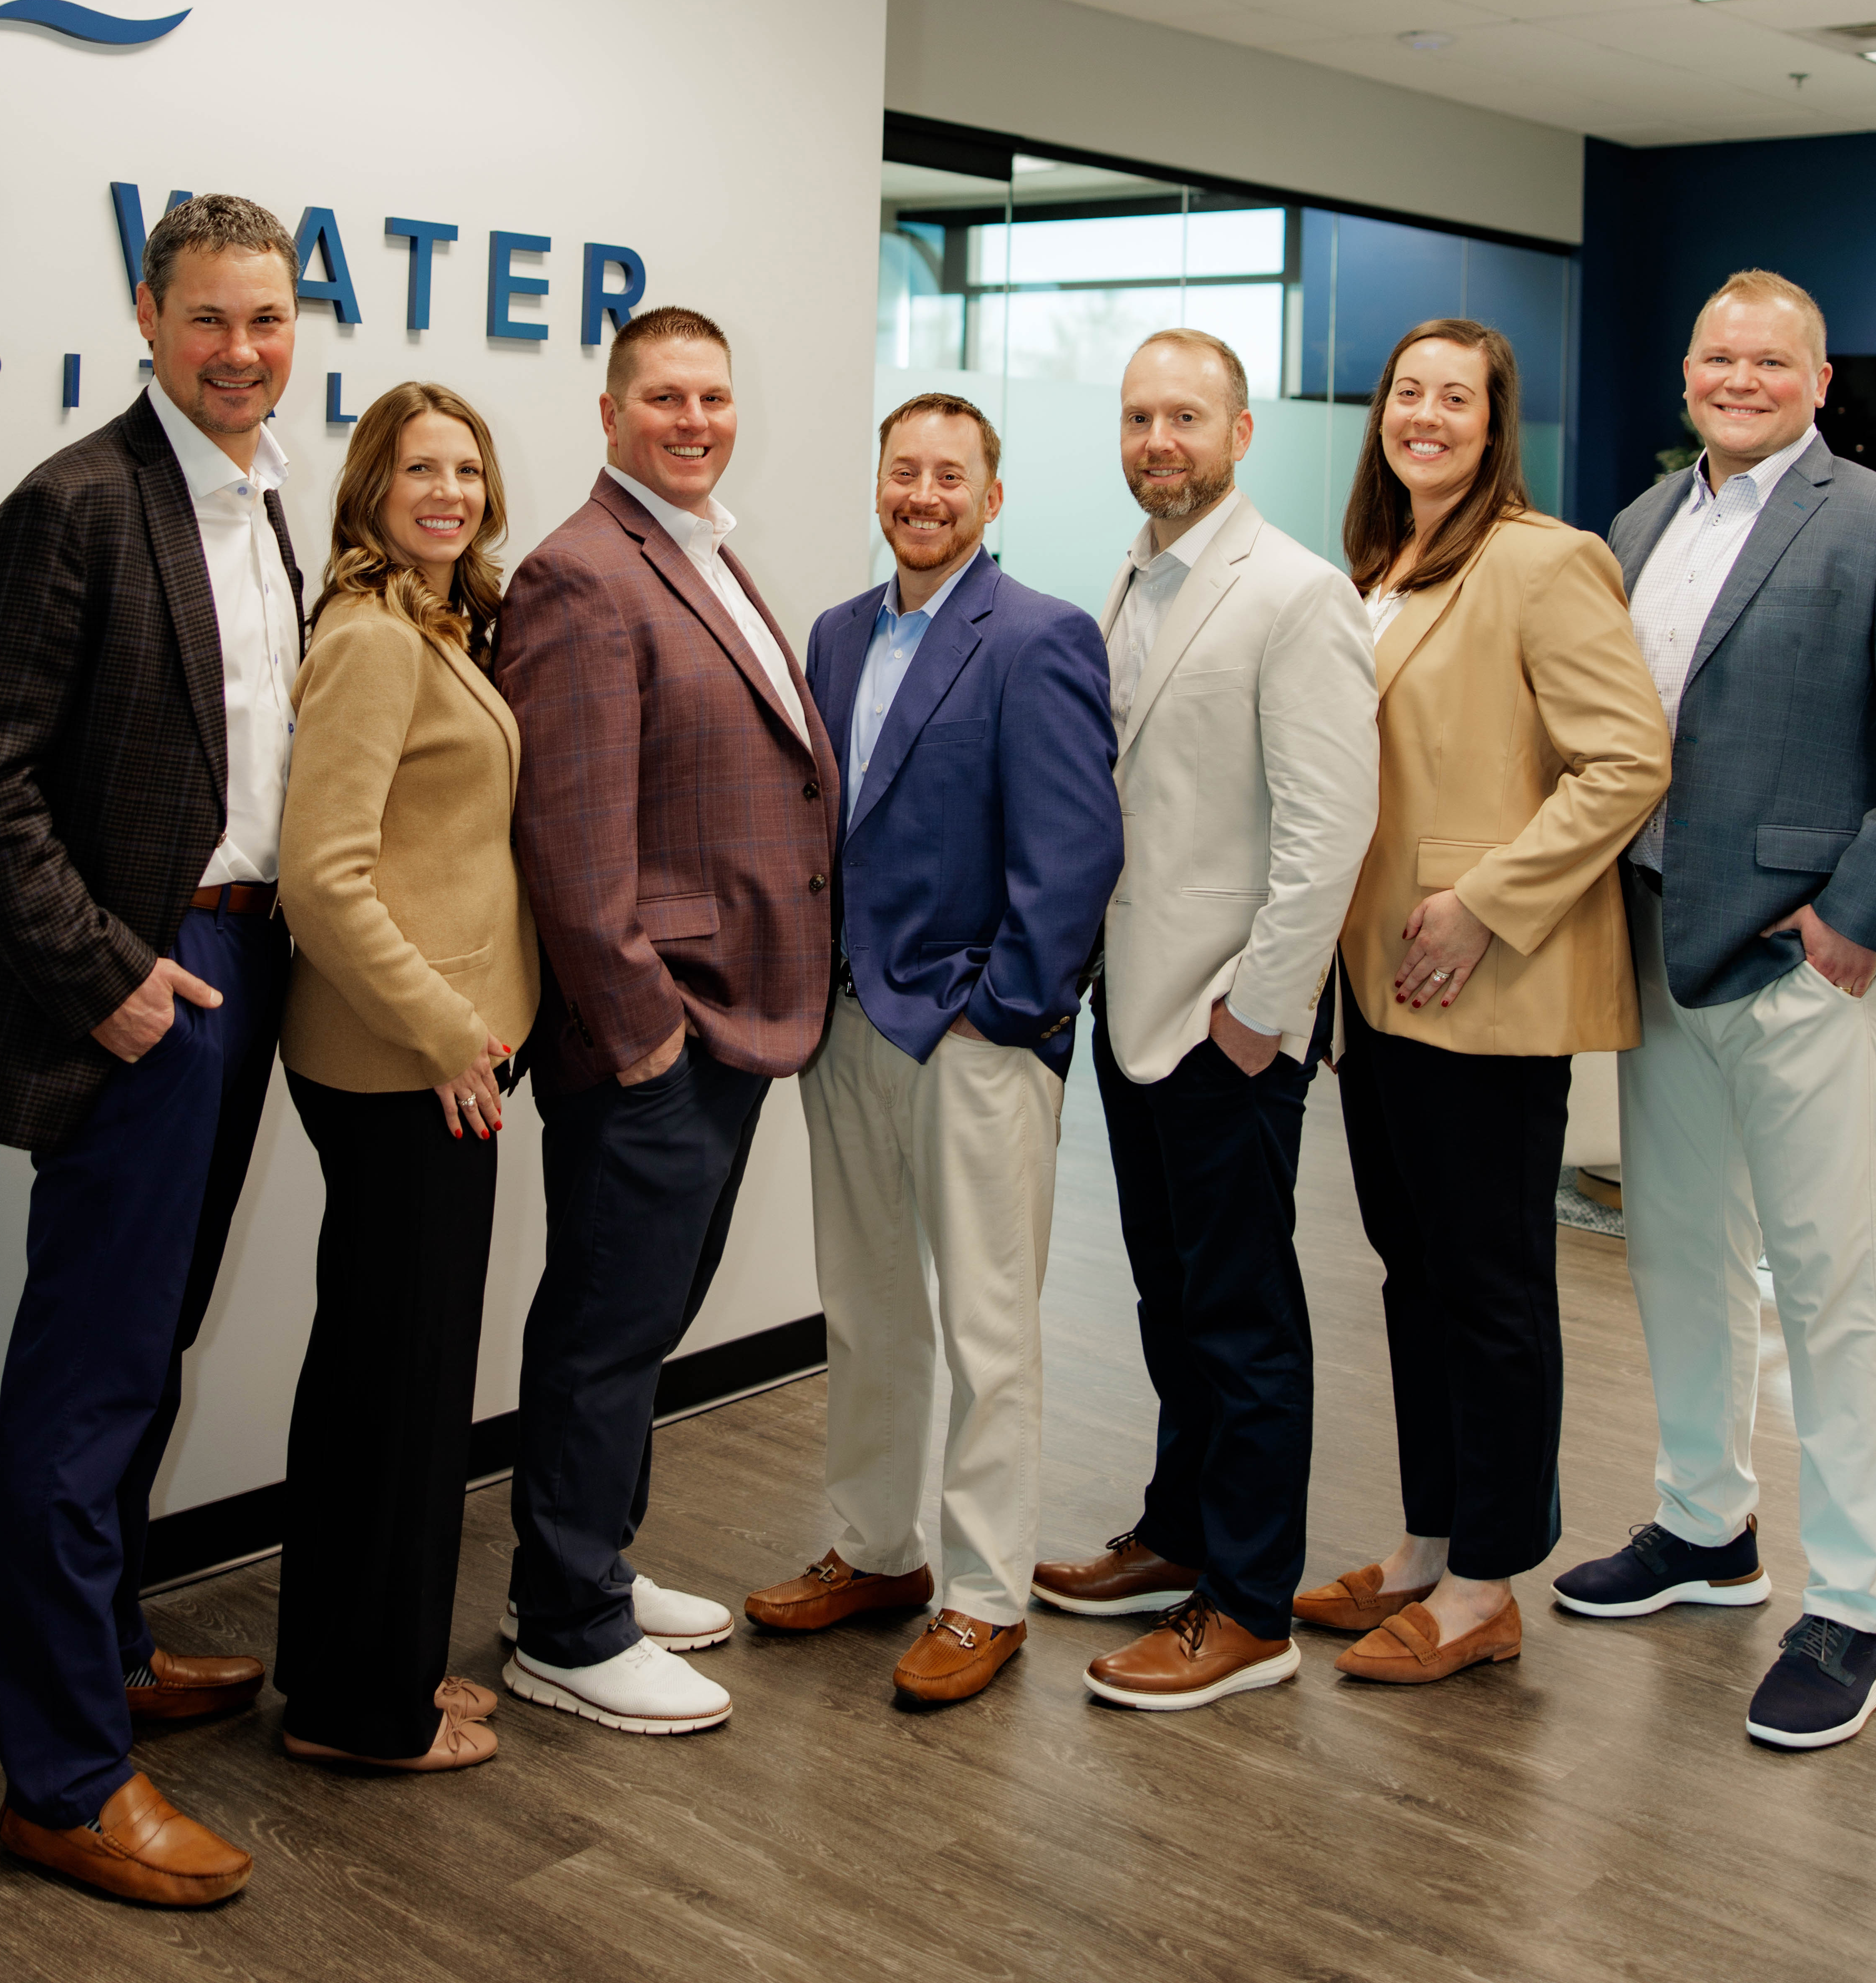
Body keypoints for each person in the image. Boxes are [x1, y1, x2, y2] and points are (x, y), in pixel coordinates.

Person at [0, 195, 304, 1905]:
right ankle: (66, 1779)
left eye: (269, 320)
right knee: (85, 1389)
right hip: (147, 985)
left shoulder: (264, 502)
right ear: (147, 315)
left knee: (149, 1356)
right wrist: (106, 976)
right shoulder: (73, 503)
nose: (240, 352)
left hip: (247, 958)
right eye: (209, 319)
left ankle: (117, 1651)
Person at [1556, 271, 1876, 1748]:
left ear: (1817, 378)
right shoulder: (1638, 526)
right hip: (1662, 952)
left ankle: (1855, 1613)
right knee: (1678, 1254)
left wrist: (1856, 930)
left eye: (1770, 359)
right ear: (1688, 373)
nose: (1739, 378)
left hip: (1813, 970)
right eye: (1717, 356)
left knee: (1831, 1289)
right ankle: (1704, 1529)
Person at [1294, 318, 1670, 1688]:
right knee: (1416, 1278)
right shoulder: (1377, 569)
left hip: (1481, 982)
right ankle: (1427, 1543)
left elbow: (1627, 763)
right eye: (1409, 394)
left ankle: (1490, 1584)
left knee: (1494, 1290)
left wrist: (1488, 902)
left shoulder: (1547, 560)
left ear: (1494, 420)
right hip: (1377, 993)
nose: (1427, 417)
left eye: (1457, 398)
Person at [744, 397, 1122, 1705]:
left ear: (991, 497)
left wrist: (1002, 1013)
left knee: (988, 1330)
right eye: (903, 471)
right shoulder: (836, 638)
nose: (922, 494)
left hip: (973, 1035)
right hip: (843, 1028)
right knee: (867, 1311)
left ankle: (984, 1594)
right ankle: (877, 1550)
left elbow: (1074, 858)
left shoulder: (1040, 637)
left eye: (949, 475)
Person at [493, 306, 837, 1736]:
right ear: (609, 410)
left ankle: (583, 1571)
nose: (694, 422)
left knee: (641, 1317)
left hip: (734, 1019)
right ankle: (567, 1629)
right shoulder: (580, 575)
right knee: (607, 1321)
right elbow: (570, 844)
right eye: (665, 401)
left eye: (714, 398)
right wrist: (641, 1029)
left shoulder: (694, 552)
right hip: (662, 1032)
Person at [1033, 329, 1378, 1714]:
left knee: (1242, 1320)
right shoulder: (1134, 576)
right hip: (1138, 1007)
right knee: (1171, 1300)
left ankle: (1248, 1604)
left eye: (1185, 418)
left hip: (1224, 1023)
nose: (1157, 442)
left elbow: (1330, 823)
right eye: (1137, 419)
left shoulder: (1294, 593)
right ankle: (1178, 1538)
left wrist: (1260, 1011)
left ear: (1241, 433)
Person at [271, 384, 537, 1774]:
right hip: (406, 1071)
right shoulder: (373, 640)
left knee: (379, 1373)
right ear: (373, 488)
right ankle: (365, 1713)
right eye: (419, 469)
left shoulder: (436, 623)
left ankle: (353, 1667)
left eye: (468, 468)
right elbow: (321, 880)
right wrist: (446, 1031)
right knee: (406, 1388)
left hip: (421, 1062)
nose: (448, 490)